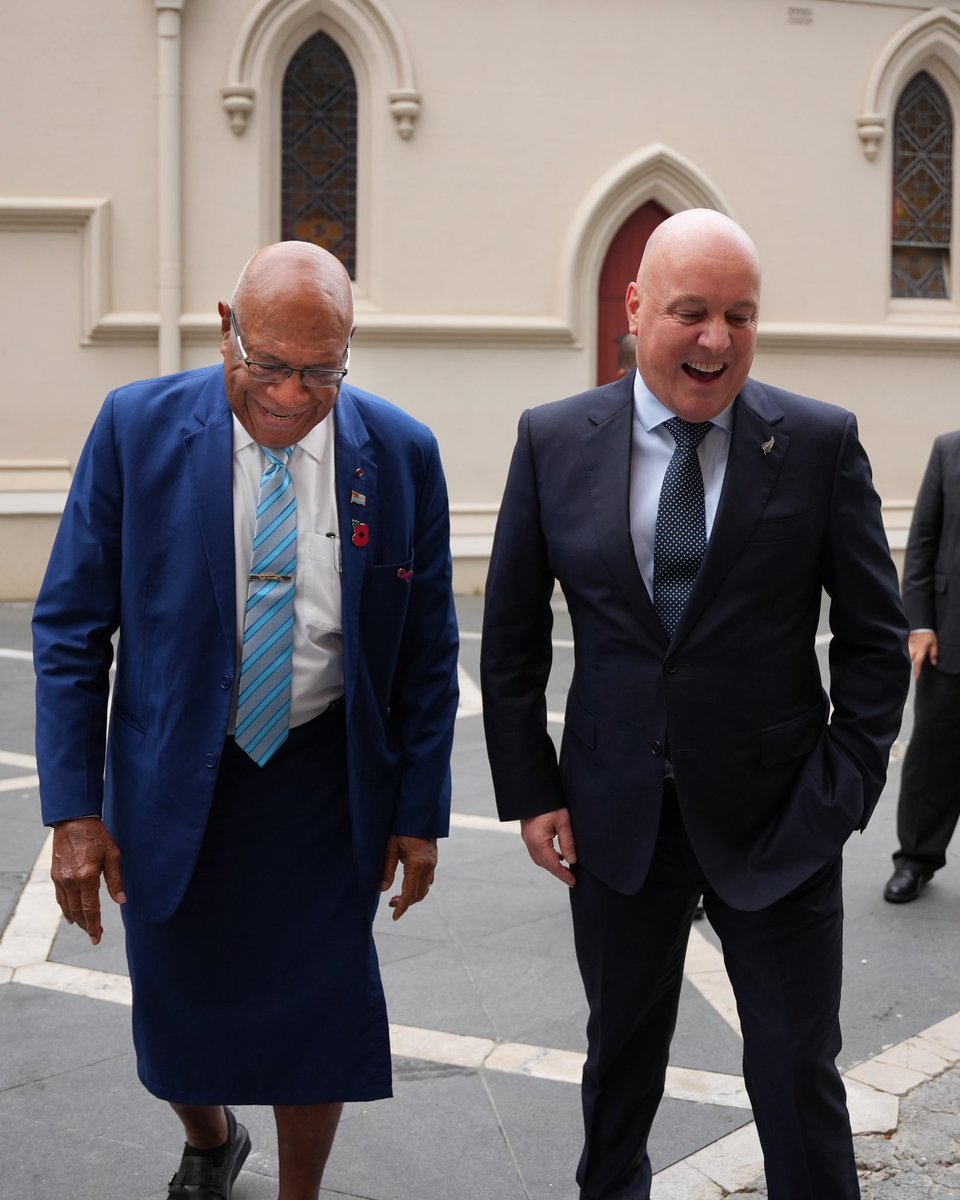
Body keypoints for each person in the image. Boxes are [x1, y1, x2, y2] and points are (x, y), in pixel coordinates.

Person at [480, 209, 909, 1200]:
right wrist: (534, 791)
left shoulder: (815, 443)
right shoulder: (552, 442)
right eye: (691, 313)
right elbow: (507, 639)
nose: (717, 340)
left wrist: (841, 791)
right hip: (615, 820)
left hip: (779, 823)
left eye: (740, 316)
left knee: (798, 1074)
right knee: (618, 1069)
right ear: (634, 309)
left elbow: (876, 644)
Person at [33, 241, 459, 1200]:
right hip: (177, 771)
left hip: (321, 778)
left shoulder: (399, 455)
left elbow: (430, 654)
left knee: (319, 1016)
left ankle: (298, 1192)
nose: (293, 393)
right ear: (228, 329)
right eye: (269, 364)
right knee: (179, 1008)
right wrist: (74, 812)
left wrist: (419, 811)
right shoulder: (136, 428)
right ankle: (212, 1136)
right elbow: (69, 627)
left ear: (350, 350)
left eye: (322, 371)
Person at [884, 431, 960, 903]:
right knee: (933, 757)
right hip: (949, 635)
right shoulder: (949, 450)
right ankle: (915, 858)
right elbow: (922, 541)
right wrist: (920, 624)